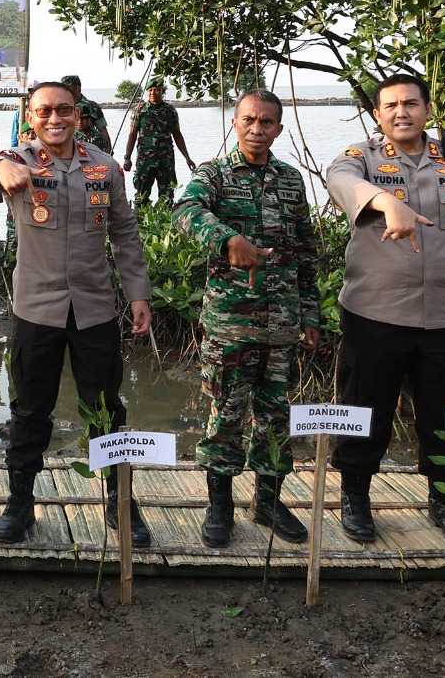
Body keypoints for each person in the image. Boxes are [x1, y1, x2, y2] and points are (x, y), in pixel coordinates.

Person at [0, 83, 153, 543]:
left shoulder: (104, 167)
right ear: (31, 115)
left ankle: (119, 501)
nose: (54, 118)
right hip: (36, 310)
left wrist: (138, 294)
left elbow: (124, 233)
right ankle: (20, 502)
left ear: (77, 114)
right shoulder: (18, 159)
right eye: (44, 111)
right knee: (29, 410)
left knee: (106, 410)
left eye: (64, 110)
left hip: (95, 309)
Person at [326, 74, 445, 545]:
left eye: (410, 103)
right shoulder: (359, 158)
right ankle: (355, 496)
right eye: (391, 106)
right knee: (365, 408)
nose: (401, 112)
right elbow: (338, 180)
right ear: (378, 115)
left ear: (427, 109)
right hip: (375, 312)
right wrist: (386, 201)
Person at [174, 89, 320, 547]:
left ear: (279, 128)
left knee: (276, 416)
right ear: (234, 123)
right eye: (249, 120)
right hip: (230, 323)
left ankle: (268, 501)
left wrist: (311, 315)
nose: (257, 129)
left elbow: (307, 252)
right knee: (227, 413)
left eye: (267, 122)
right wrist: (225, 238)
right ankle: (219, 503)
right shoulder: (213, 174)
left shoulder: (292, 180)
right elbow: (184, 211)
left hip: (282, 322)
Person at [123, 79, 195, 206]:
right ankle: (140, 224)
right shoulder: (139, 110)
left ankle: (165, 224)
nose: (153, 93)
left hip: (166, 160)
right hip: (145, 160)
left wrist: (187, 158)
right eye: (150, 90)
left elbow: (177, 134)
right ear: (147, 92)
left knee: (167, 196)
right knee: (141, 195)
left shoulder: (170, 111)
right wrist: (127, 157)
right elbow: (132, 134)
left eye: (156, 90)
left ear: (162, 91)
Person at [61, 75, 112, 152]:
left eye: (67, 89)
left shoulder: (92, 106)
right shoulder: (61, 106)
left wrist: (108, 153)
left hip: (90, 148)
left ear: (77, 88)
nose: (64, 92)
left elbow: (103, 130)